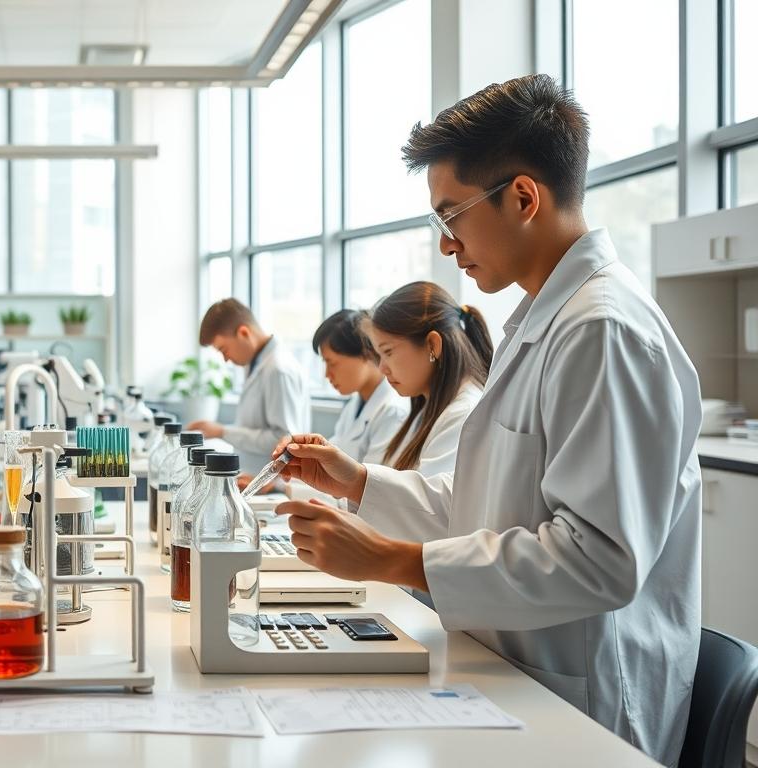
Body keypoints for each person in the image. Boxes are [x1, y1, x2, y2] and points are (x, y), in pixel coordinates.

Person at [274, 74, 701, 766]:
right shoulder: (544, 322)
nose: (446, 245)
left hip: (586, 704)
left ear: (524, 197)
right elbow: (487, 507)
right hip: (517, 672)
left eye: (451, 216)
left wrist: (393, 558)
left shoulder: (603, 331)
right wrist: (359, 483)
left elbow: (598, 561)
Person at [366, 282, 491, 477]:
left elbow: (424, 504)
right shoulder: (426, 408)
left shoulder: (464, 415)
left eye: (388, 352)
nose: (382, 368)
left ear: (432, 345)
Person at [187, 298, 311, 473]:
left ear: (244, 333)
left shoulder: (277, 369)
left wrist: (223, 432)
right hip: (253, 478)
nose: (225, 359)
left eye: (224, 349)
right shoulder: (256, 364)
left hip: (269, 484)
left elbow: (284, 440)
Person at [313, 309, 409, 465]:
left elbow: (373, 484)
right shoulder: (354, 406)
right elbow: (329, 463)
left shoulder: (394, 412)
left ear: (366, 353)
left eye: (332, 363)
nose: (327, 374)